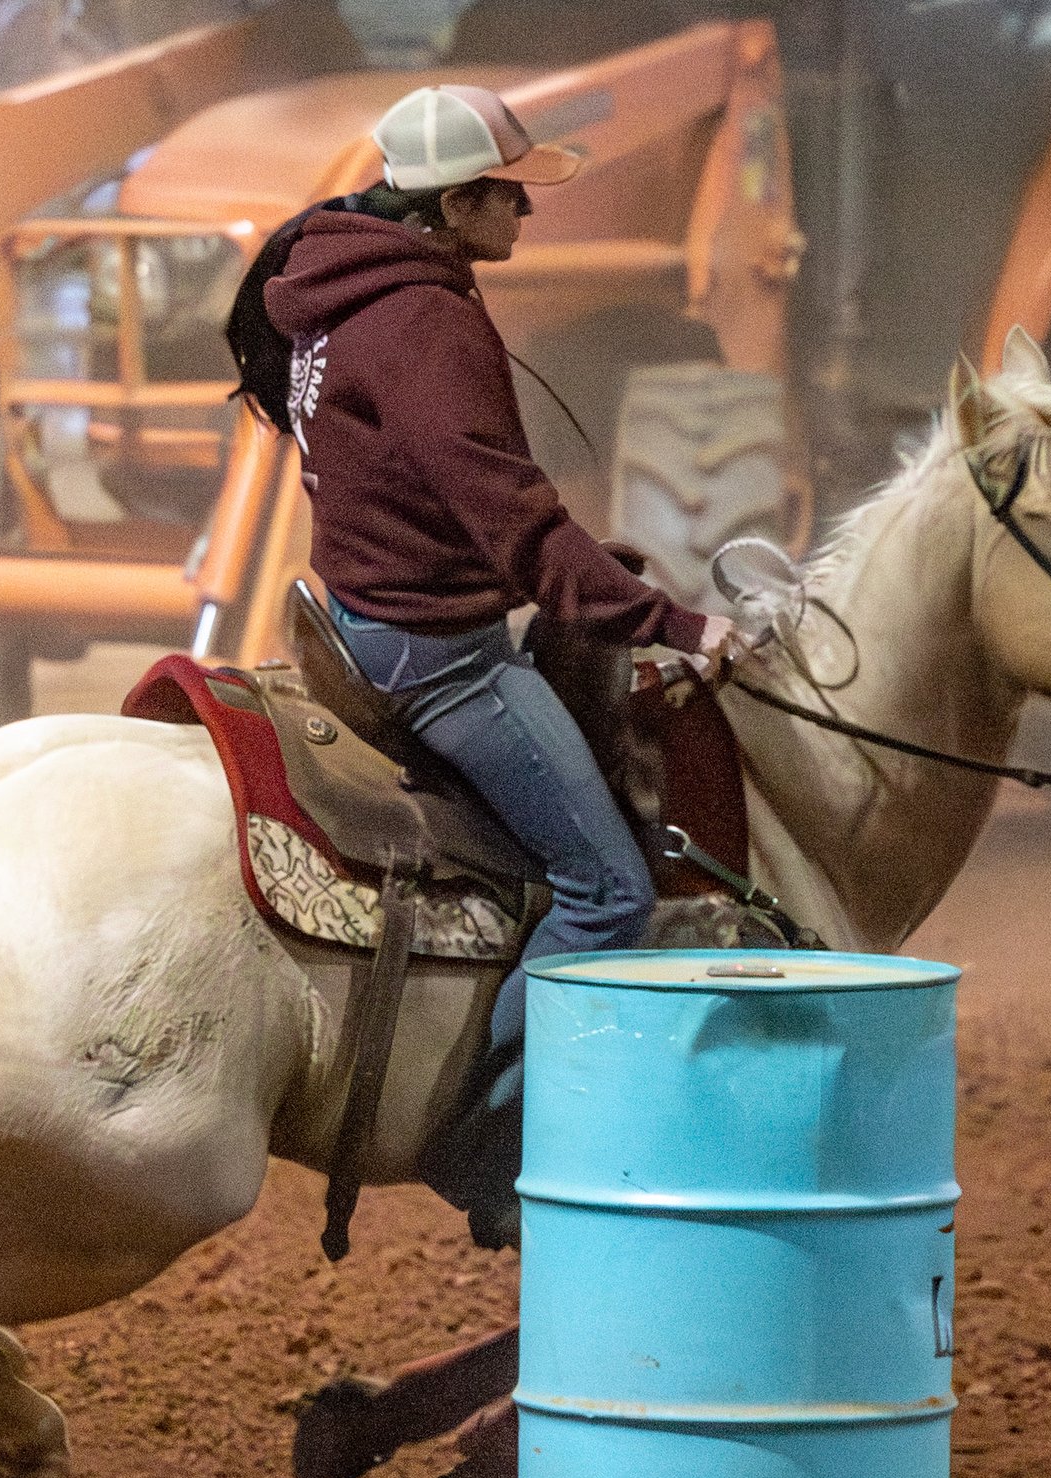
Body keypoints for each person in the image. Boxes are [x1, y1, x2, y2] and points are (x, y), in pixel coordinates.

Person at [237, 85, 744, 1246]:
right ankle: (491, 1142)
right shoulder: (426, 324)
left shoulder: (340, 293)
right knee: (608, 888)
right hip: (441, 657)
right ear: (453, 201)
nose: (524, 207)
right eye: (508, 190)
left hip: (363, 618)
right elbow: (513, 519)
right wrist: (673, 624)